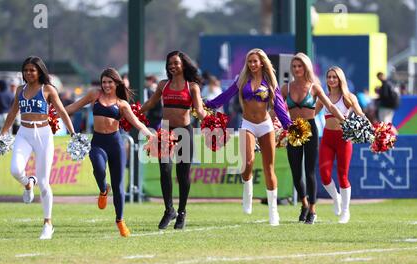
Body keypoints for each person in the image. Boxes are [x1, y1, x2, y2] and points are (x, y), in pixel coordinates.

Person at [206, 48, 292, 226]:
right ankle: (248, 189)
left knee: (269, 168)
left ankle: (273, 211)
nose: (252, 64)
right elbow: (226, 95)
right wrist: (208, 105)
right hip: (248, 124)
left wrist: (289, 126)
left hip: (266, 126)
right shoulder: (242, 80)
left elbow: (279, 106)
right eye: (250, 61)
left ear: (262, 63)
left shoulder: (270, 82)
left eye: (255, 61)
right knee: (247, 162)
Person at [66, 68, 154, 237]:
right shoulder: (94, 95)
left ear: (116, 83)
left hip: (115, 144)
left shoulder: (122, 104)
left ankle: (120, 221)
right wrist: (54, 113)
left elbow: (136, 123)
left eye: (110, 82)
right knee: (99, 169)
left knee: (119, 185)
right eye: (104, 82)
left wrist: (150, 135)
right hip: (98, 142)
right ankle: (103, 189)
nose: (106, 85)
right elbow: (74, 106)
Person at [0, 56, 76, 240]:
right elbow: (12, 113)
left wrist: (73, 133)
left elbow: (62, 111)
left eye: (32, 70)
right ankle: (27, 183)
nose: (28, 73)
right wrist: (2, 133)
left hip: (43, 135)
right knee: (15, 169)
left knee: (44, 182)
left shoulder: (48, 89)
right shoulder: (20, 89)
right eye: (25, 70)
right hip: (24, 133)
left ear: (40, 71)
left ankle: (47, 223)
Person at [140, 50, 207, 230]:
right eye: (170, 63)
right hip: (166, 133)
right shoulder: (163, 85)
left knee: (182, 174)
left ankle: (182, 211)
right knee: (164, 169)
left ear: (183, 64)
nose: (173, 66)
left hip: (184, 132)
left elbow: (199, 111)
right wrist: (134, 112)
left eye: (176, 63)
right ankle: (169, 210)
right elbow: (151, 103)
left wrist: (211, 122)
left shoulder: (192, 87)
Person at [281, 53, 341, 224]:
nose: (297, 69)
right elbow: (276, 108)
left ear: (306, 67)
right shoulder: (286, 88)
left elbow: (330, 106)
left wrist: (345, 121)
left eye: (300, 66)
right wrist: (265, 120)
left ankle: (313, 210)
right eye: (294, 66)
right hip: (293, 130)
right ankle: (304, 204)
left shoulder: (314, 87)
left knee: (310, 171)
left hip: (310, 129)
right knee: (295, 172)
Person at [316, 67, 364, 224]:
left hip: (344, 139)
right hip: (327, 138)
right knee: (324, 175)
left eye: (334, 77)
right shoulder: (324, 97)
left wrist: (374, 129)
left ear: (340, 79)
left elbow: (361, 115)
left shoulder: (349, 97)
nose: (331, 80)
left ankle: (345, 211)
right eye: (329, 77)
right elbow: (311, 114)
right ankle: (336, 197)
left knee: (343, 176)